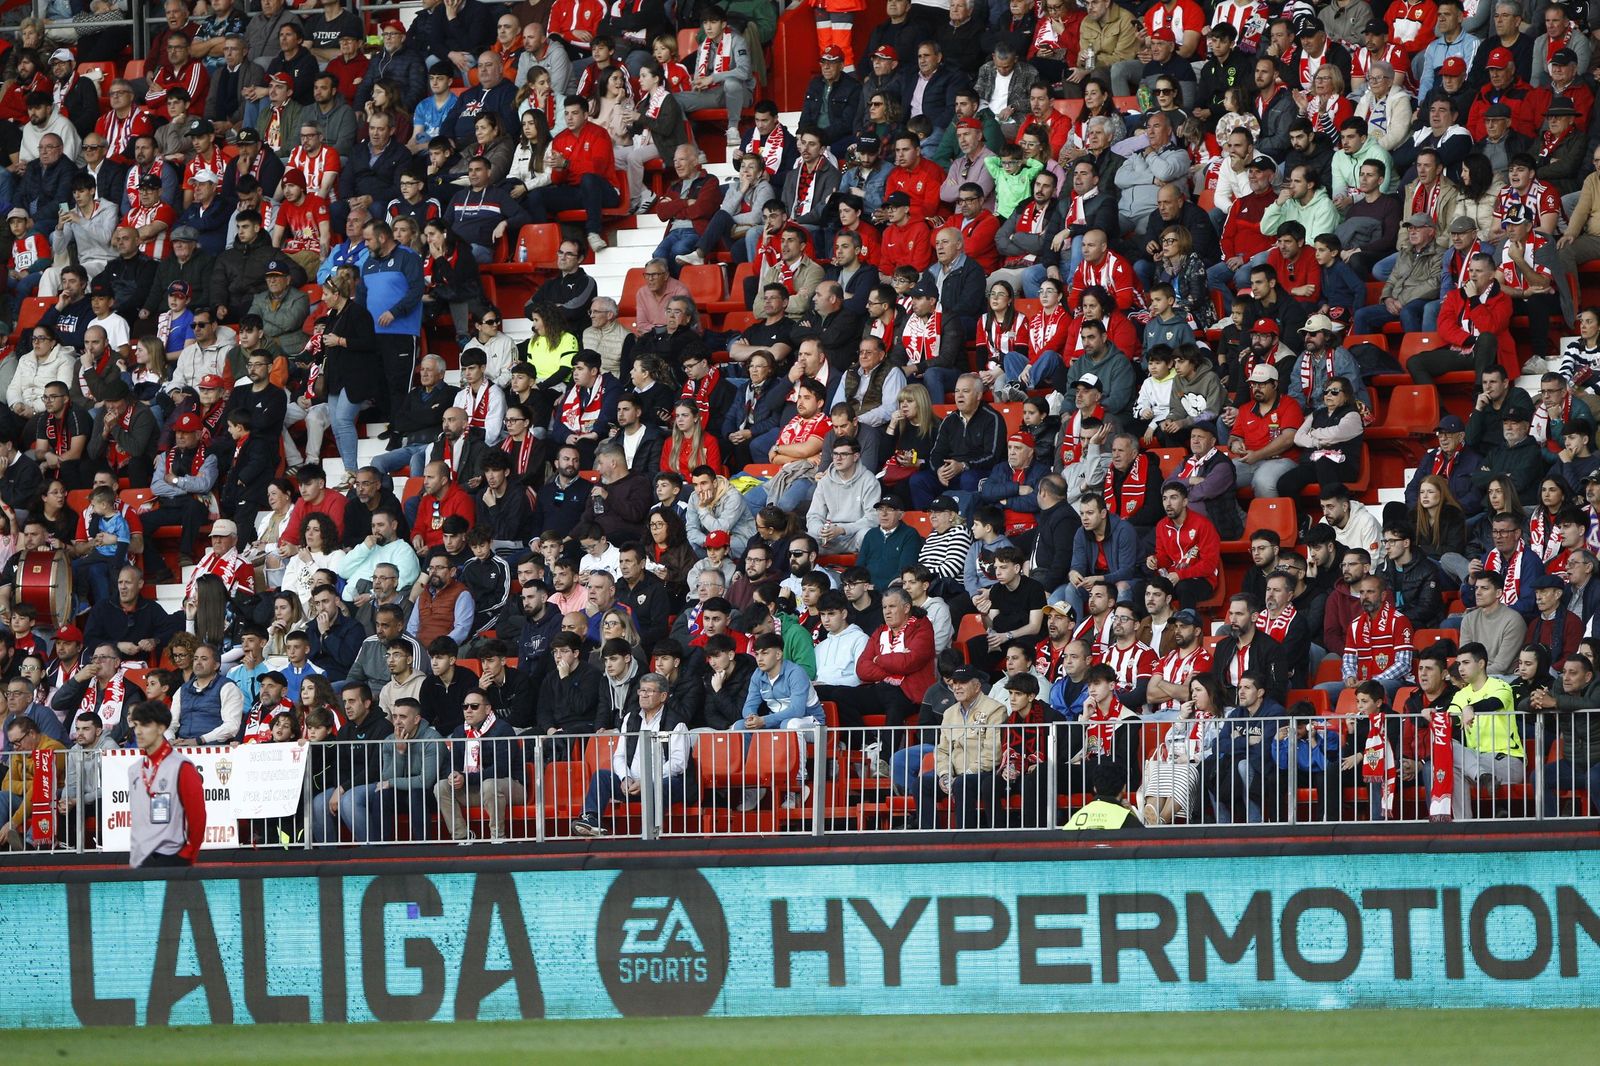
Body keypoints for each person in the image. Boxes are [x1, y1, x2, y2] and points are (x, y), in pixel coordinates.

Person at [125, 700, 205, 868]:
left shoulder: (181, 766)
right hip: (141, 859)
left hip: (172, 857)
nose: (138, 731)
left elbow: (197, 817)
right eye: (136, 725)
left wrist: (188, 854)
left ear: (161, 728)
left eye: (145, 725)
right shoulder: (134, 769)